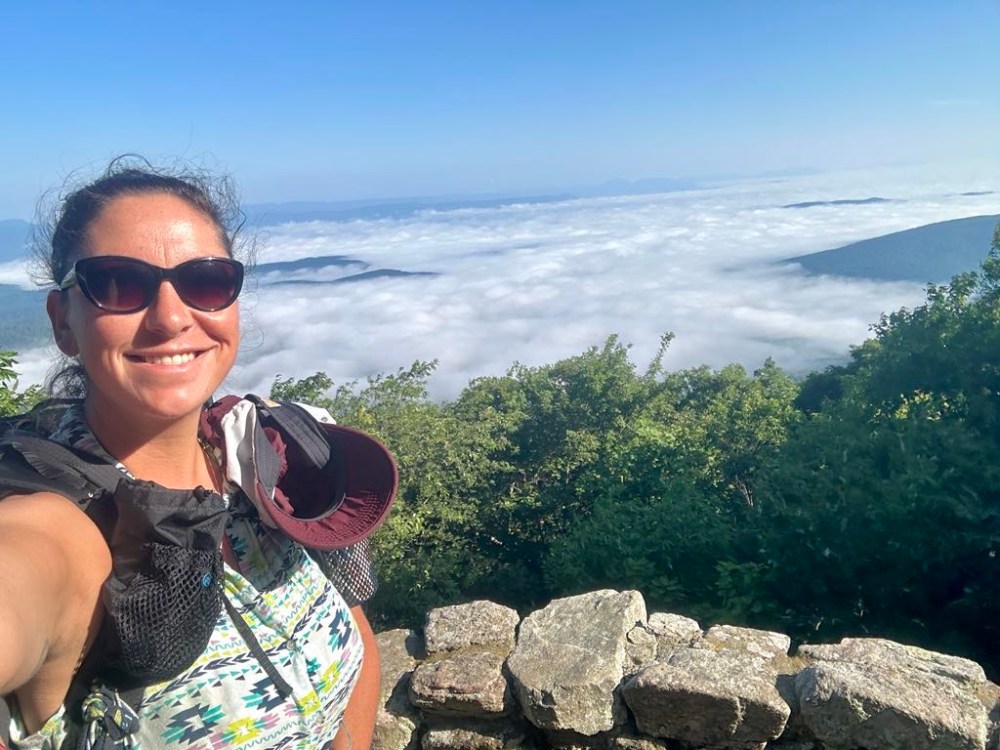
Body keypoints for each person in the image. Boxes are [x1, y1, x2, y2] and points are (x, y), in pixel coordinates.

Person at [0, 159, 396, 750]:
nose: (170, 316)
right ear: (63, 322)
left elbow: (356, 639)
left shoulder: (269, 462)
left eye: (205, 281)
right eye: (117, 283)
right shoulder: (61, 528)